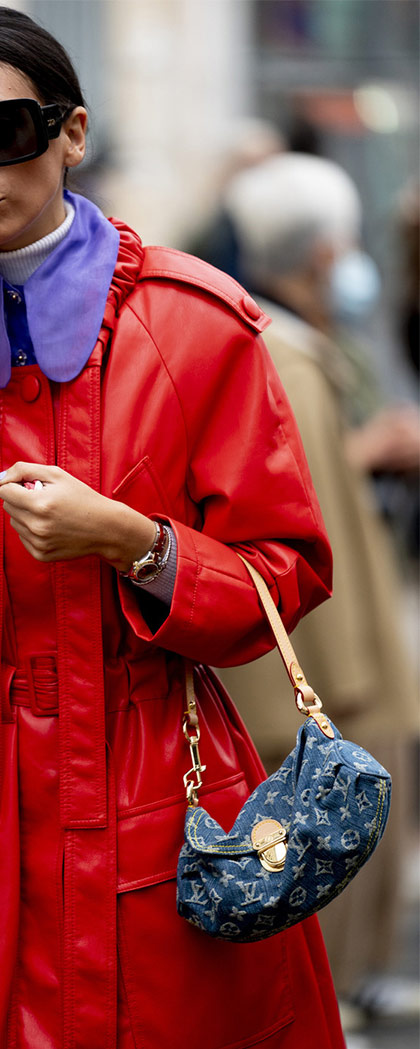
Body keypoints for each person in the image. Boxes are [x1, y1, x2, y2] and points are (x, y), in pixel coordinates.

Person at [0, 8, 344, 1048]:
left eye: (5, 130)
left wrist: (137, 542)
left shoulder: (193, 323)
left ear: (71, 131)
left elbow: (285, 572)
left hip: (153, 780)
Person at [220, 152, 419, 1031]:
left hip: (327, 670)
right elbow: (307, 537)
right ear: (323, 255)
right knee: (333, 874)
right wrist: (344, 702)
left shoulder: (276, 343)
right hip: (335, 678)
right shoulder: (286, 360)